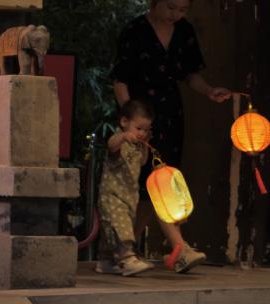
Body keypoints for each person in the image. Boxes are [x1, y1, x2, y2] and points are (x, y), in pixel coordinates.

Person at [110, 0, 232, 273]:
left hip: (169, 113)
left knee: (160, 180)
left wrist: (209, 91)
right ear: (155, 3)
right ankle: (175, 248)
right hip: (139, 114)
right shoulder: (135, 30)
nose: (175, 15)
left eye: (182, 9)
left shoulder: (184, 30)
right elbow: (120, 79)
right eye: (171, 7)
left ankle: (125, 251)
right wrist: (131, 123)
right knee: (146, 183)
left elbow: (190, 74)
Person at [95, 99, 156, 277]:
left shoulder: (137, 146)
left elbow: (143, 162)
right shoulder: (119, 140)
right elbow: (111, 145)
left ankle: (106, 261)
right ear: (124, 123)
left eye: (146, 130)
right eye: (139, 128)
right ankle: (127, 258)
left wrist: (145, 145)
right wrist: (123, 136)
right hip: (112, 196)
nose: (142, 133)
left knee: (111, 231)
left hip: (129, 196)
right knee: (121, 228)